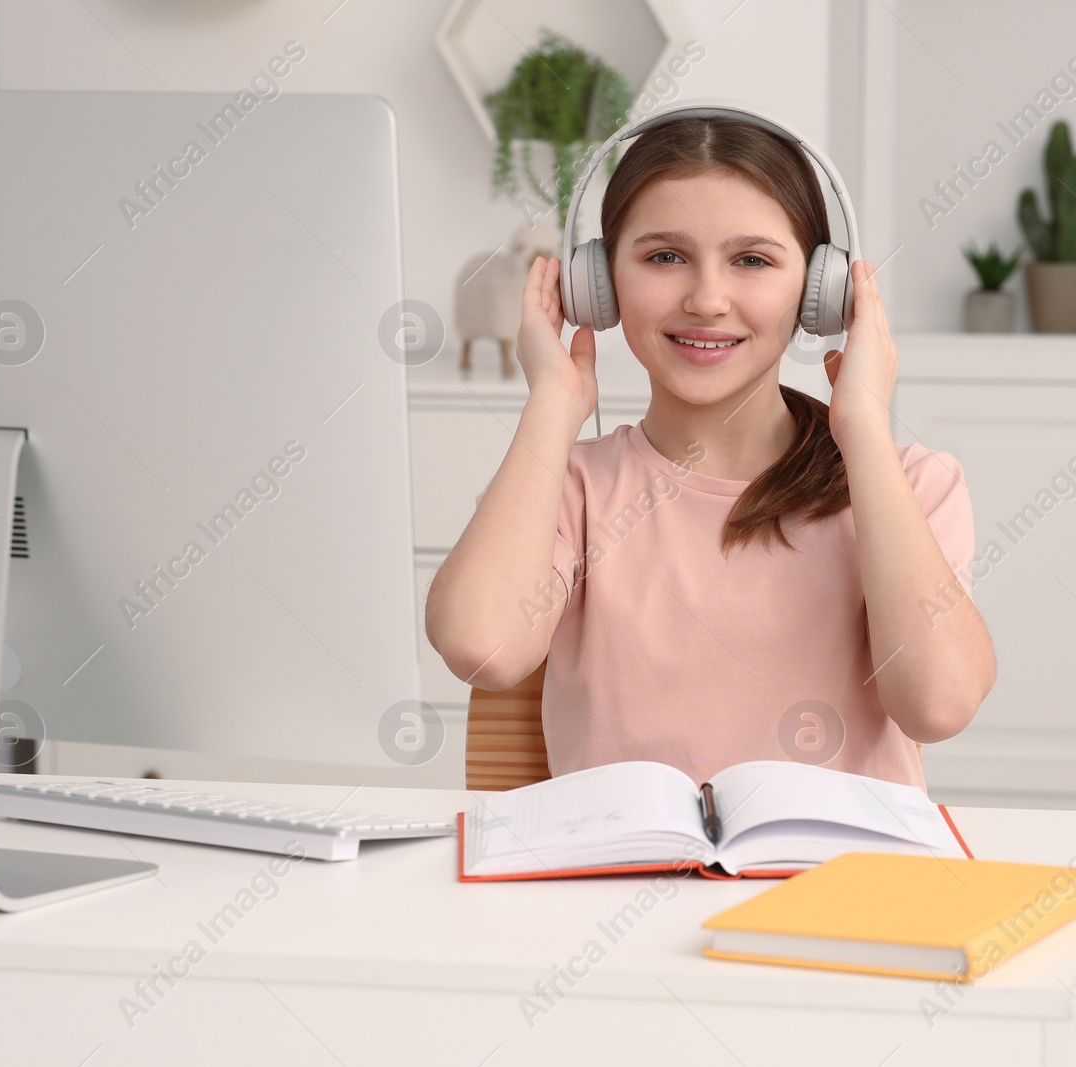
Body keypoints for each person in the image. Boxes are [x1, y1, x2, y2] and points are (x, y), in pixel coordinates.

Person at [426, 114, 996, 788]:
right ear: (598, 287)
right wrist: (552, 403)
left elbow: (939, 701)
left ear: (823, 293)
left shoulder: (907, 482)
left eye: (752, 260)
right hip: (616, 886)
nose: (706, 299)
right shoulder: (569, 489)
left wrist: (864, 425)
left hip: (837, 888)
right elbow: (480, 646)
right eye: (664, 256)